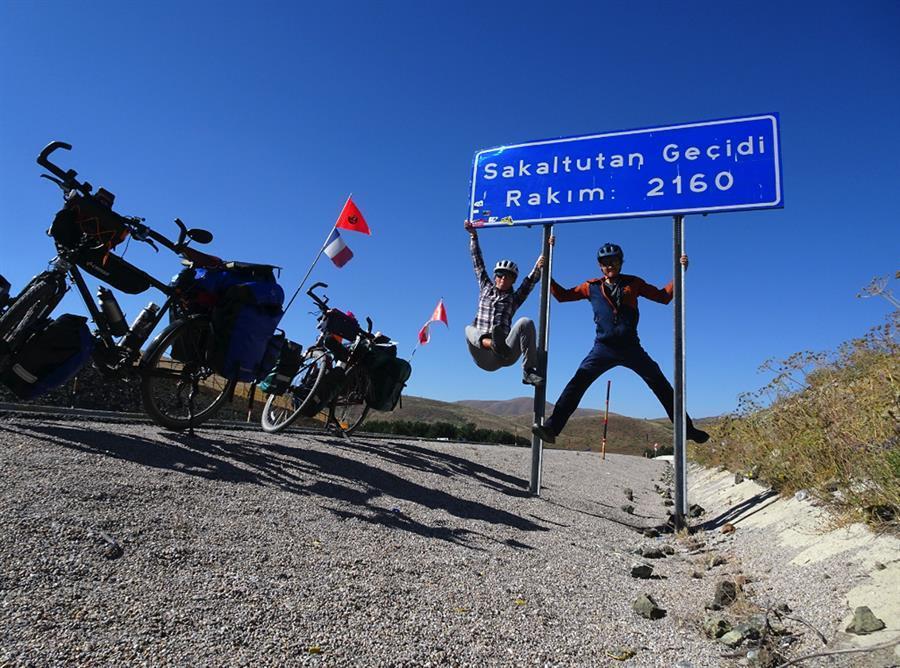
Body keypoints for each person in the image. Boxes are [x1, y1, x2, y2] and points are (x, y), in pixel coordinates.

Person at [532, 241, 710, 444]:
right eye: (605, 262)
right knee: (577, 384)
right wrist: (545, 273)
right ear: (600, 265)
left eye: (614, 261)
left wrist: (680, 271)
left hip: (631, 348)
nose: (610, 266)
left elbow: (664, 297)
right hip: (603, 348)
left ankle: (687, 430)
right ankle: (552, 429)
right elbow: (563, 296)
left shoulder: (634, 283)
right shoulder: (591, 287)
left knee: (661, 385)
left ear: (621, 263)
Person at [464, 220, 545, 385]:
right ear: (495, 277)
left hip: (504, 354)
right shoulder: (485, 287)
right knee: (469, 328)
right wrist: (473, 236)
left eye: (507, 276)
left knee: (526, 322)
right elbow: (477, 262)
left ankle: (528, 371)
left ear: (513, 280)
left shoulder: (513, 299)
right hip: (482, 354)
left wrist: (545, 255)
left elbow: (531, 281)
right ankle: (492, 342)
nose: (502, 278)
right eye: (500, 274)